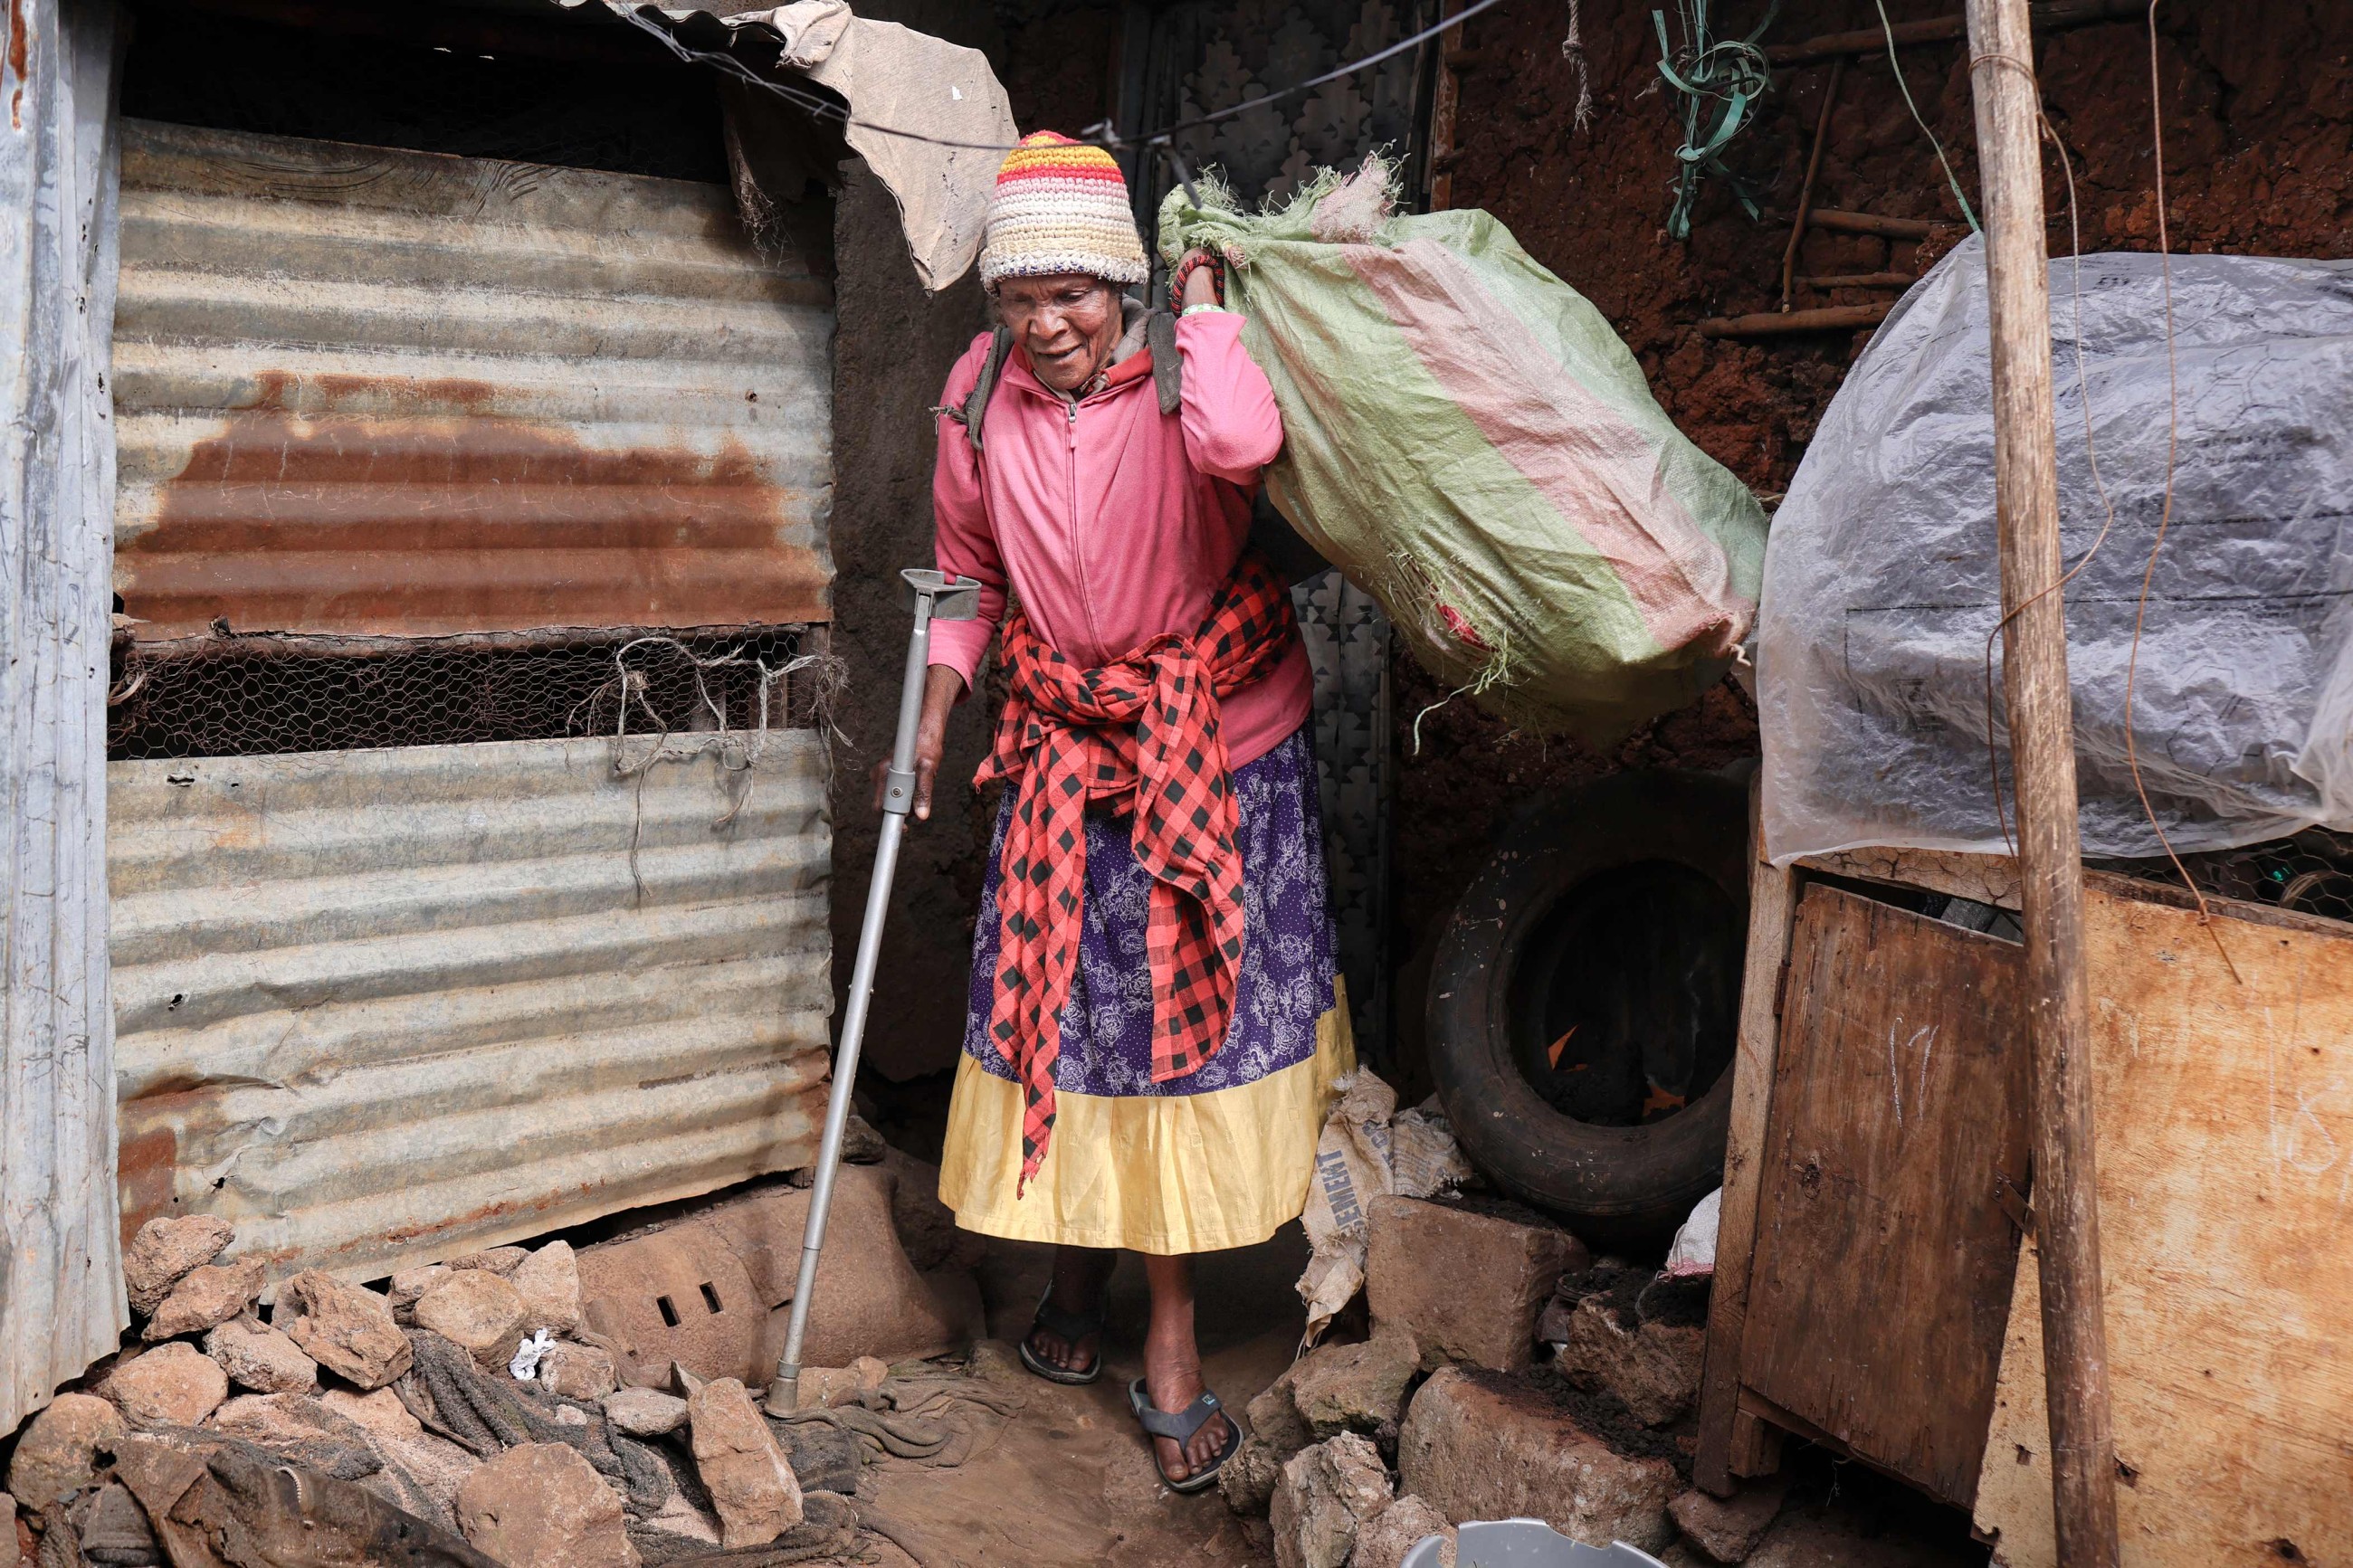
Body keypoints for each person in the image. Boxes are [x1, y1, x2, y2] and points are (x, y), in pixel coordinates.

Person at [876, 131, 1353, 1492]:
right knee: (1066, 1021)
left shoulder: (1182, 381)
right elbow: (965, 577)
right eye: (1022, 299)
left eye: (1075, 294)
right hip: (1062, 752)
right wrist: (935, 704)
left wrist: (1201, 306)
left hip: (1211, 745)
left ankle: (1174, 1328)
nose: (1049, 326)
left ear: (1123, 288)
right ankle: (1071, 1284)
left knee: (1167, 1042)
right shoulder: (980, 398)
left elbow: (1247, 446)